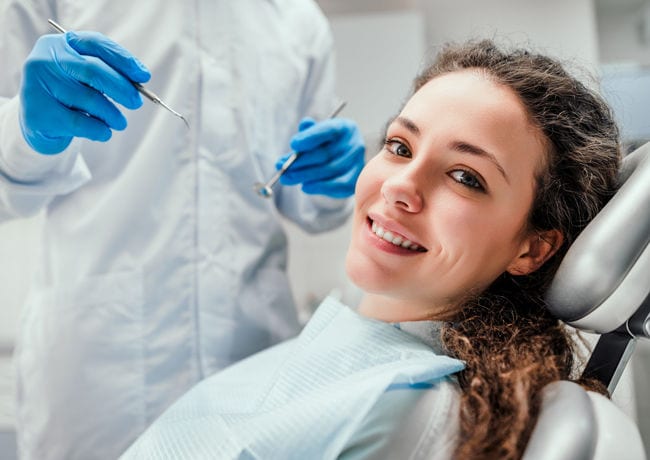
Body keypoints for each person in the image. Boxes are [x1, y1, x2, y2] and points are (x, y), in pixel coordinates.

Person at [118, 39, 621, 460]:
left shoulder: (396, 411)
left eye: (466, 177)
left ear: (532, 249)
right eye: (400, 146)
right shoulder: (363, 368)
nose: (400, 185)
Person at [0, 2, 365, 459]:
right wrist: (25, 130)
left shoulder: (298, 19)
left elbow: (308, 206)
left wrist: (331, 179)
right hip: (97, 384)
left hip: (253, 361)